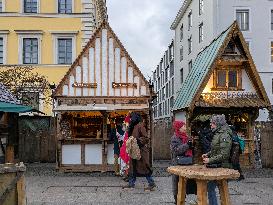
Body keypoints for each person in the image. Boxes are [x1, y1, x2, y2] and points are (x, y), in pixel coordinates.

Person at [202, 115, 232, 205]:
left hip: (222, 166)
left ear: (218, 124)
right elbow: (216, 149)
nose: (211, 124)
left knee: (213, 187)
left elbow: (224, 155)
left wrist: (210, 160)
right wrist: (208, 154)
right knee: (212, 187)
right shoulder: (218, 132)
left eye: (213, 123)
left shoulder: (225, 135)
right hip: (217, 166)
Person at [122, 112, 156, 191]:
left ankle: (151, 183)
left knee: (144, 167)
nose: (130, 119)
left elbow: (146, 138)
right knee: (133, 168)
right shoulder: (133, 126)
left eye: (131, 118)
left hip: (141, 152)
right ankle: (131, 184)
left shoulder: (140, 126)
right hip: (134, 150)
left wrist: (136, 140)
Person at [170, 121, 194, 204]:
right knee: (177, 184)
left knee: (185, 183)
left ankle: (183, 198)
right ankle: (177, 200)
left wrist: (192, 145)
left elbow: (189, 149)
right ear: (179, 128)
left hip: (187, 163)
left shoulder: (186, 136)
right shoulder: (175, 138)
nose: (185, 127)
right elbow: (175, 151)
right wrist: (187, 145)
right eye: (183, 126)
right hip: (177, 164)